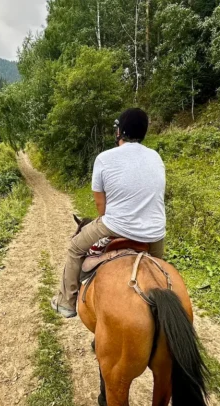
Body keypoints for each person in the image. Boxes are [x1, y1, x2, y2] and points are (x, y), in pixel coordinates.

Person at [52, 108, 166, 318]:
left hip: (115, 225)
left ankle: (66, 302)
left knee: (75, 248)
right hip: (154, 232)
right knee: (160, 269)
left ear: (119, 132)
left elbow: (100, 207)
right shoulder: (156, 157)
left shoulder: (104, 158)